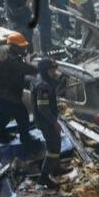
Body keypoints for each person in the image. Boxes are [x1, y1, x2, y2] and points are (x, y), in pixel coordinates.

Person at [0, 34, 36, 146]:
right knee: (21, 114)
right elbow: (20, 67)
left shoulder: (9, 50)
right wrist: (38, 69)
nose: (24, 49)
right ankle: (24, 138)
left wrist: (25, 54)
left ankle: (2, 135)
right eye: (21, 47)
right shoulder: (6, 56)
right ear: (13, 46)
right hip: (4, 89)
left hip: (5, 87)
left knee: (2, 113)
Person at [31, 58, 65, 187]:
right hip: (46, 121)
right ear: (46, 71)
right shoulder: (44, 86)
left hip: (45, 120)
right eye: (52, 71)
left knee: (56, 143)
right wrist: (54, 122)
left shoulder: (39, 78)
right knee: (53, 148)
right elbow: (43, 108)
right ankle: (44, 177)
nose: (54, 73)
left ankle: (56, 168)